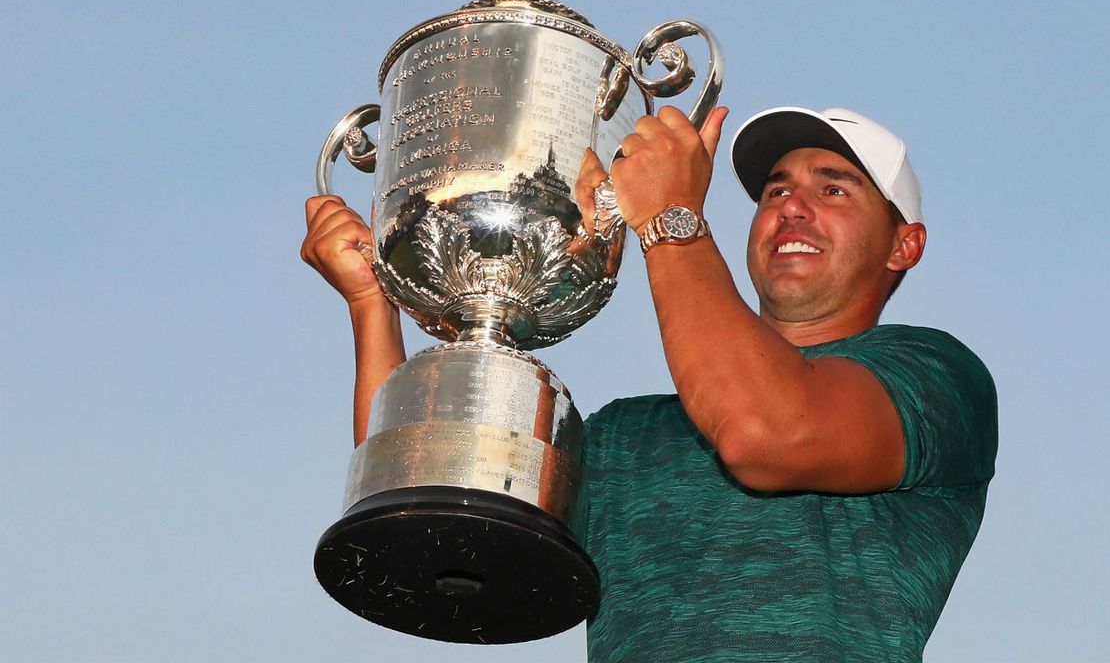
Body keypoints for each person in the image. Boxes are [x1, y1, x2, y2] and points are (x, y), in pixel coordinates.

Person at [302, 104, 997, 662]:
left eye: (834, 189)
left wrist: (670, 221)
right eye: (776, 190)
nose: (791, 206)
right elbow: (425, 496)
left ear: (905, 245)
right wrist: (372, 305)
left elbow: (765, 435)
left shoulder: (936, 377)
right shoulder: (625, 434)